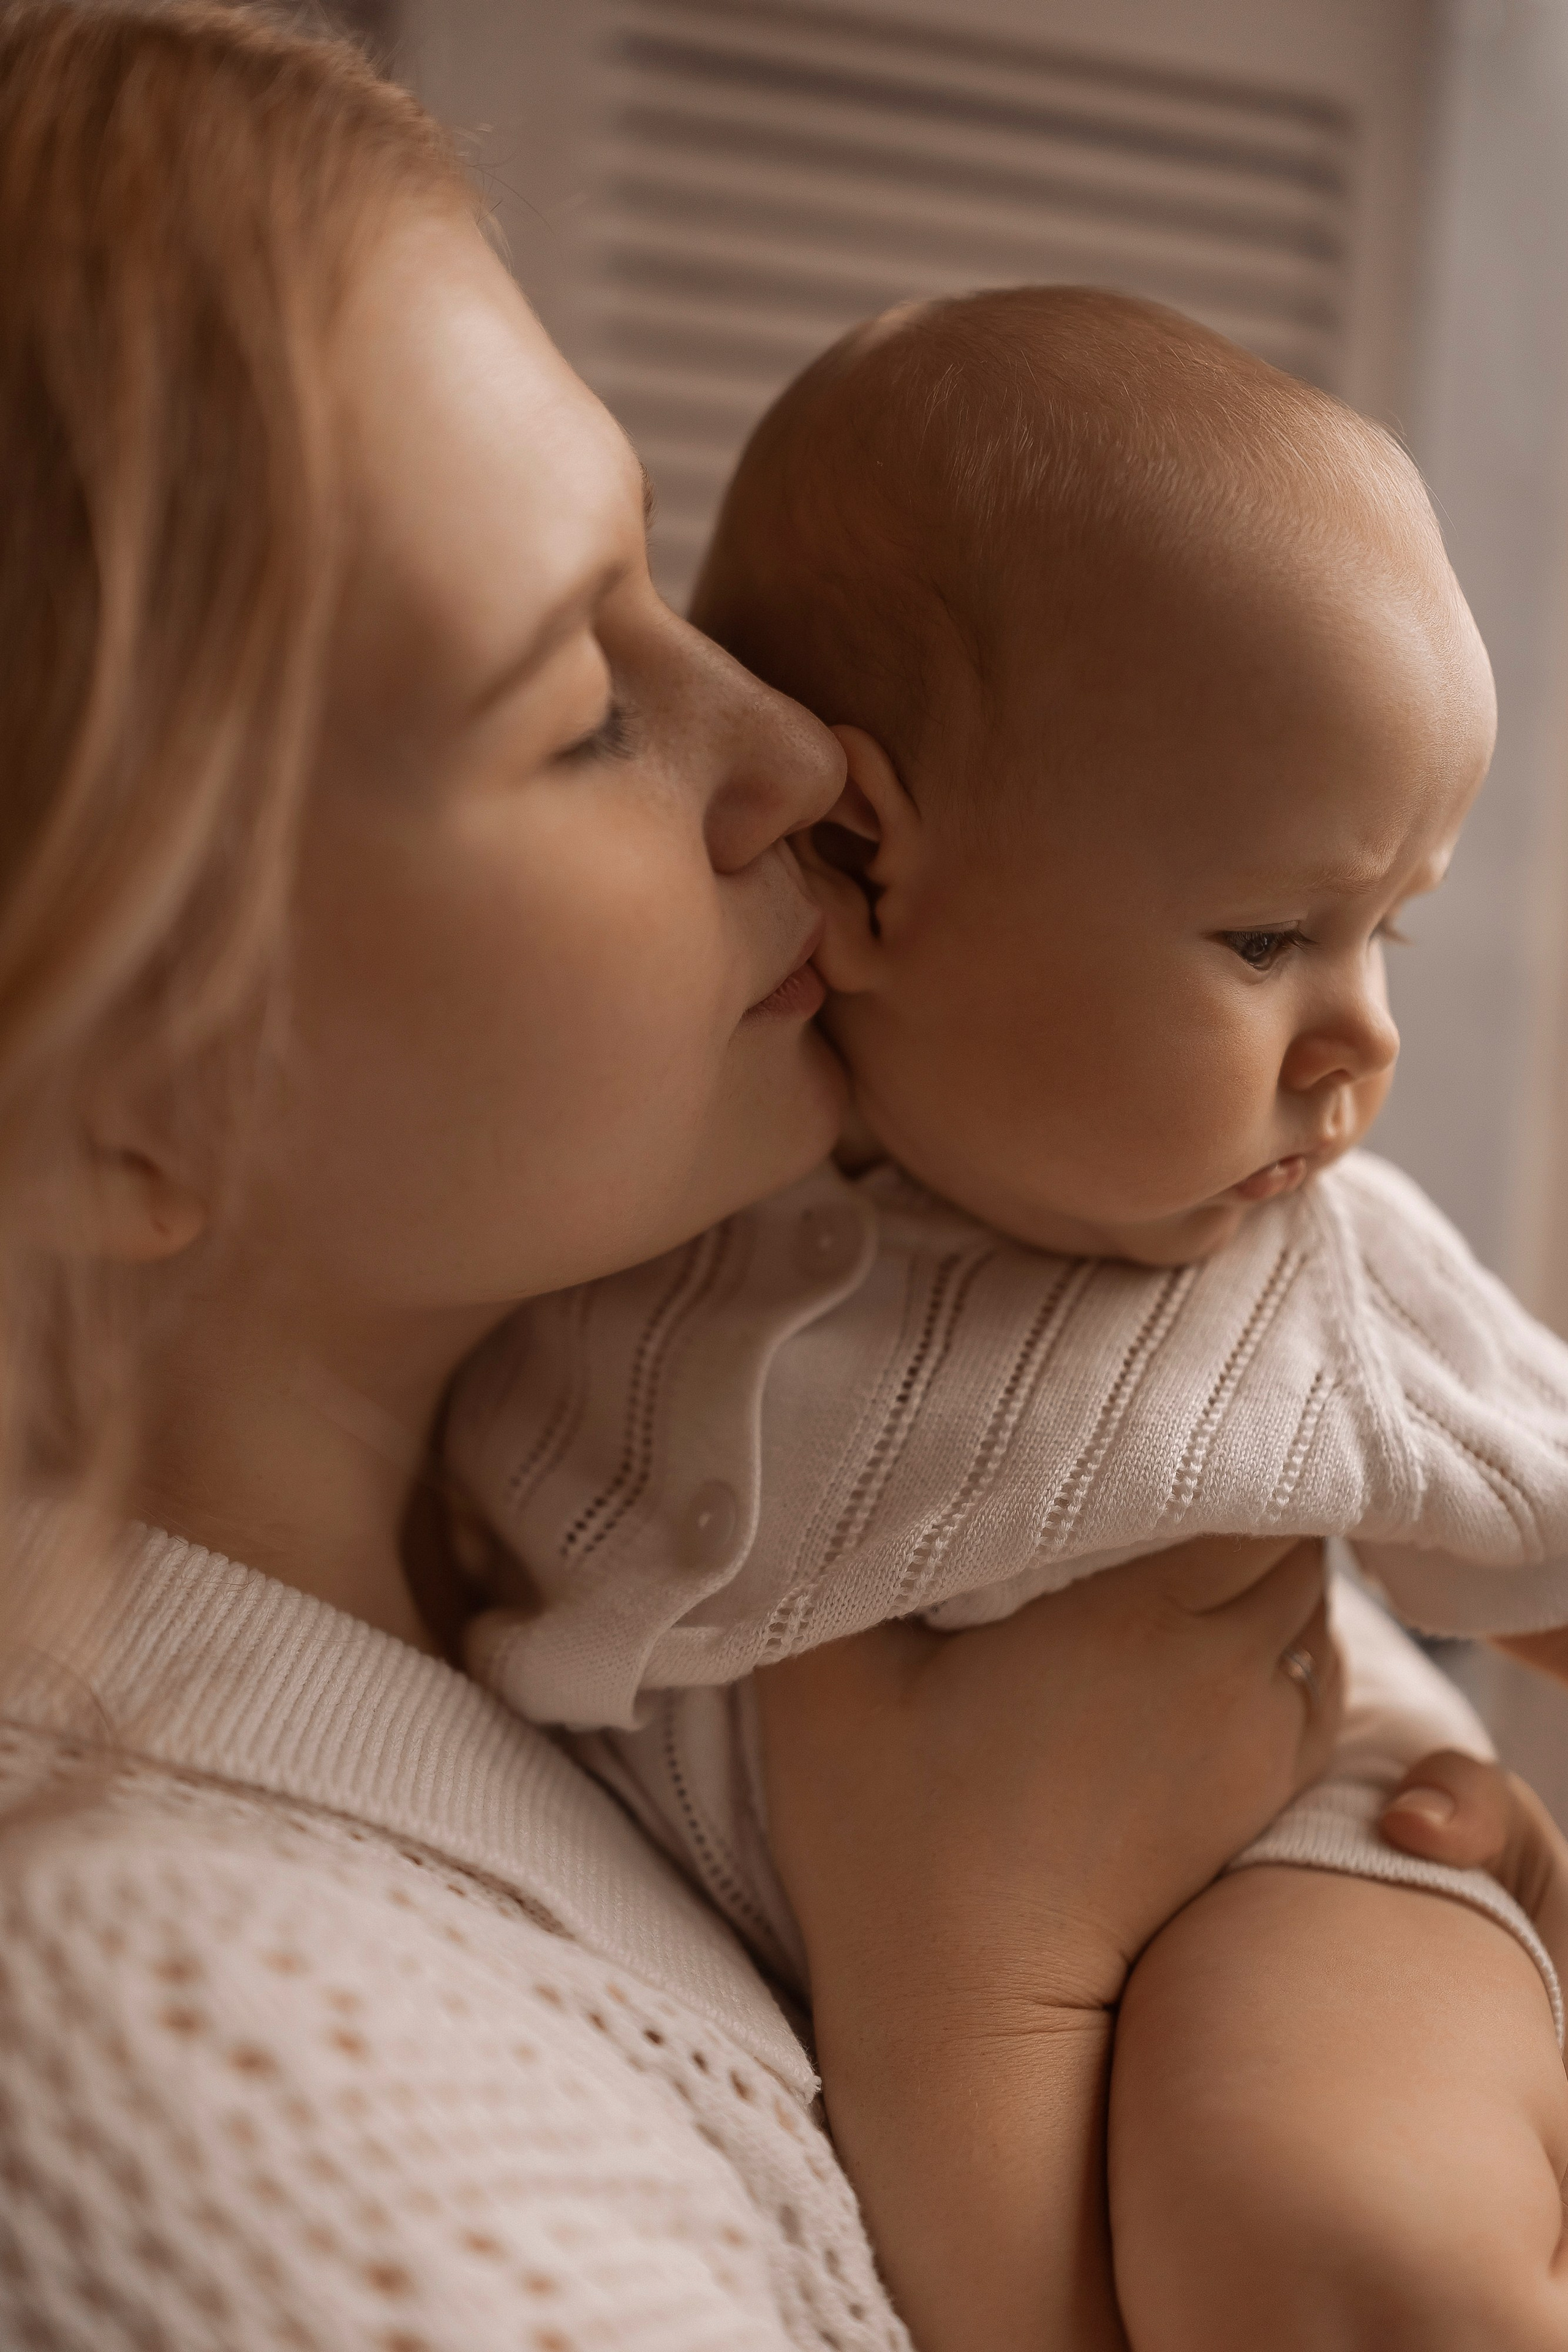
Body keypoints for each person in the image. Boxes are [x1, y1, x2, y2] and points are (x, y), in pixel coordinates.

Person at [3, 12, 1502, 2351]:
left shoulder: (590, 1462)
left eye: (662, 586)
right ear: (126, 1089)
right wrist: (980, 2002)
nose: (800, 751)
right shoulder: (186, 2086)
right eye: (580, 708)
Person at [446, 290, 1568, 2348]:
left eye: (1381, 932)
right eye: (1266, 936)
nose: (1363, 1042)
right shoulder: (625, 1201)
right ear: (869, 860)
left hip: (1294, 1867)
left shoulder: (1320, 1275)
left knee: (1331, 2229)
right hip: (888, 1960)